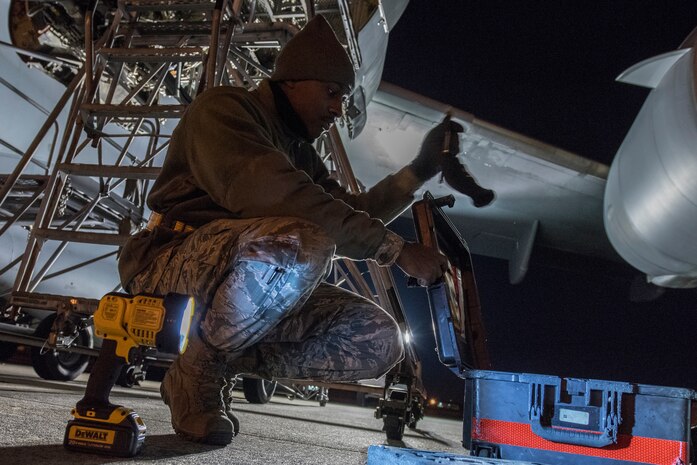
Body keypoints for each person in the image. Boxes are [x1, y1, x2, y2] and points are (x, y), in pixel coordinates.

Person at [118, 15, 462, 445]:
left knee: (379, 339)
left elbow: (347, 212)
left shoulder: (296, 148)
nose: (338, 109)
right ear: (294, 82)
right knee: (301, 241)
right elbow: (281, 198)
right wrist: (395, 249)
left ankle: (212, 358)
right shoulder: (224, 110)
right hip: (169, 261)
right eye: (332, 93)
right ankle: (197, 377)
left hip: (243, 281)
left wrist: (419, 170)